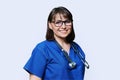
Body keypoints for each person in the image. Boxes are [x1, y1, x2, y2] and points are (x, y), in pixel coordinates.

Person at [24, 6, 89, 80]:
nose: (63, 26)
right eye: (58, 22)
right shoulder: (42, 49)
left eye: (67, 22)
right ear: (50, 25)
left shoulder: (76, 48)